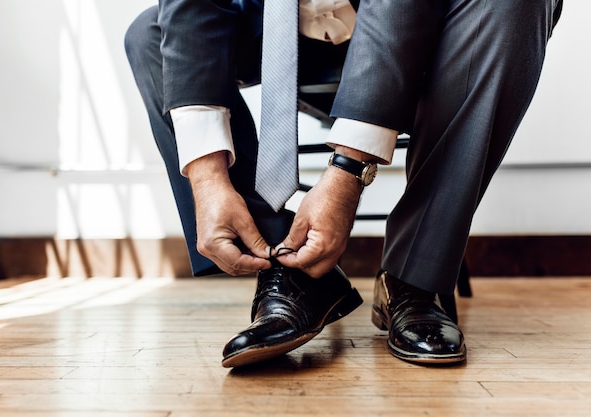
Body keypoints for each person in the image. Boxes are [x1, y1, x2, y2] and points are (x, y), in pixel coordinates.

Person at [126, 0, 563, 367]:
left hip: (426, 22)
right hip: (276, 28)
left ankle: (413, 278)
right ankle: (293, 269)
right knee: (150, 33)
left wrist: (346, 172)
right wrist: (206, 176)